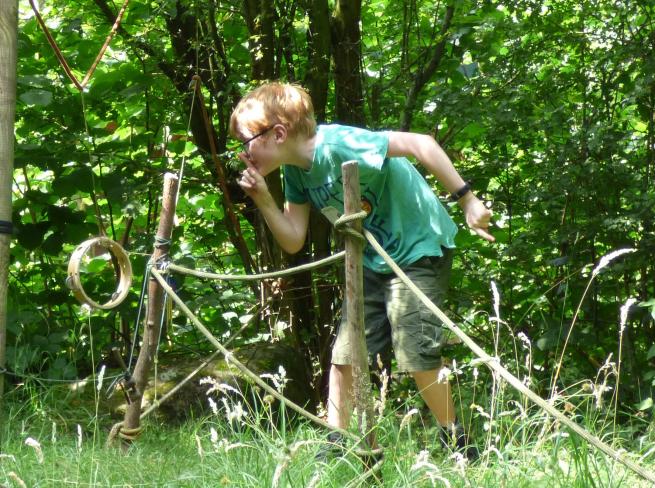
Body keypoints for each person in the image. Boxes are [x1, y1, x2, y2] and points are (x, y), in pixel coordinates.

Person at [230, 82, 494, 458]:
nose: (243, 152)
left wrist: (467, 199)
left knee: (416, 352)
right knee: (346, 353)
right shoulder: (295, 173)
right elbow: (293, 240)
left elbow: (422, 144)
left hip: (418, 247)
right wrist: (264, 200)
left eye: (247, 140)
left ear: (278, 133)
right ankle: (335, 445)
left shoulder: (340, 145)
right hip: (371, 258)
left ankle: (458, 442)